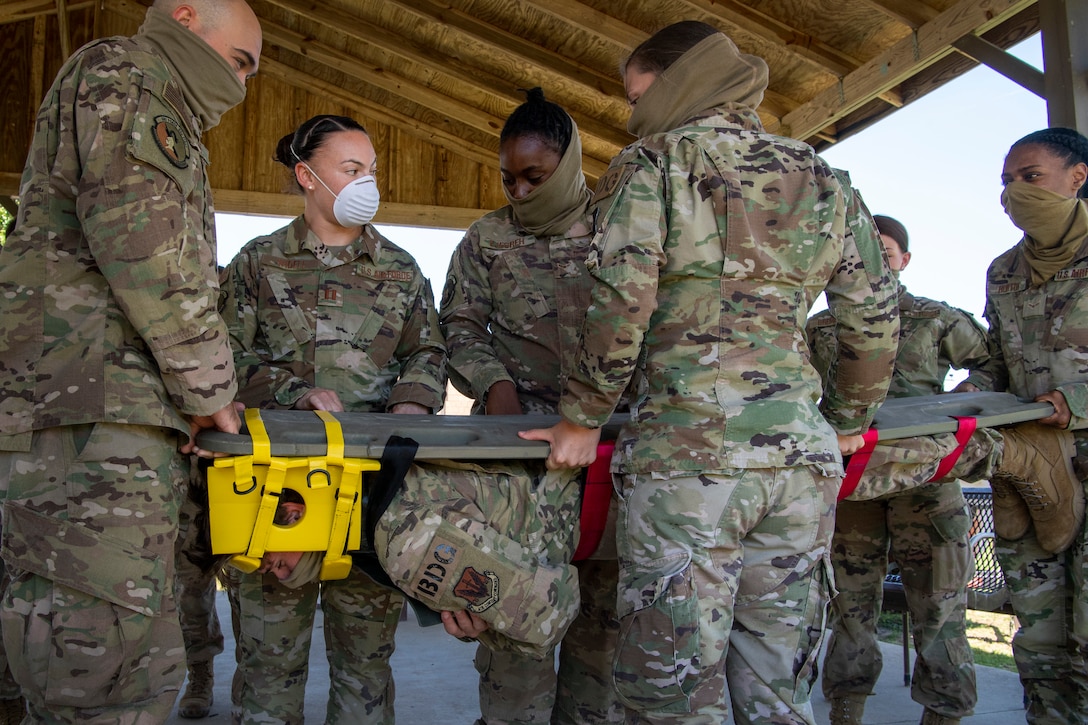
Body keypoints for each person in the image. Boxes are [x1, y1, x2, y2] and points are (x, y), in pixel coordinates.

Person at [522, 20, 900, 724]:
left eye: (639, 96)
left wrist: (583, 417)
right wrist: (848, 420)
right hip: (800, 465)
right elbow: (872, 316)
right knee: (780, 692)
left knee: (672, 695)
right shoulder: (823, 177)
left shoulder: (655, 164)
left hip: (689, 466)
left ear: (681, 82)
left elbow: (621, 302)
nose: (633, 114)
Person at [0, 0, 261, 721]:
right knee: (102, 672)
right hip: (92, 411)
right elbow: (144, 244)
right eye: (239, 61)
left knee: (110, 654)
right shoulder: (133, 75)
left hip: (94, 410)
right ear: (187, 18)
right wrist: (211, 391)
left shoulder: (148, 90)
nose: (241, 85)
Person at [219, 113, 446, 725]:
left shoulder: (401, 268)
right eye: (351, 169)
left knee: (365, 669)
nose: (366, 182)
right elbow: (224, 357)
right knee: (268, 666)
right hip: (277, 490)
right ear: (307, 176)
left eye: (371, 170)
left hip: (371, 491)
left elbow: (428, 351)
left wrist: (410, 403)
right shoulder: (258, 262)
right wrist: (295, 393)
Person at [440, 87, 624, 724]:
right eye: (508, 179)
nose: (519, 191)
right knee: (513, 637)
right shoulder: (487, 239)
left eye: (534, 177)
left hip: (607, 453)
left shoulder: (620, 229)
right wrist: (495, 386)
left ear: (569, 164)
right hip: (516, 457)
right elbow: (458, 324)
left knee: (601, 642)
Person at [808, 215, 989, 725]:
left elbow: (993, 361)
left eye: (884, 253)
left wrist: (964, 399)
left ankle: (945, 712)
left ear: (904, 260)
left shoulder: (935, 318)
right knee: (849, 607)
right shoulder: (820, 327)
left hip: (927, 482)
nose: (873, 262)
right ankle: (846, 706)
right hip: (855, 484)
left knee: (940, 607)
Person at [960, 127, 1088, 723]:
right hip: (1033, 473)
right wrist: (973, 391)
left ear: (1077, 178)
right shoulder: (1004, 270)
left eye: (1030, 177)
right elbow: (997, 359)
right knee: (1038, 641)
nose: (1014, 192)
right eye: (1007, 181)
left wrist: (1075, 400)